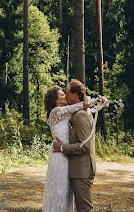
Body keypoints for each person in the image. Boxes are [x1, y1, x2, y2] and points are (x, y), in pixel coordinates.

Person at [41, 84, 88, 212]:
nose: (65, 96)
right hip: (59, 156)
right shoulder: (56, 112)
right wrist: (91, 100)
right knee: (59, 190)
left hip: (66, 153)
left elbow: (78, 110)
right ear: (57, 100)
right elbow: (78, 106)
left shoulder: (64, 113)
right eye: (62, 94)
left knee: (67, 191)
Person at [52, 80, 97, 212]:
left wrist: (61, 148)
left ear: (75, 95)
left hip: (82, 170)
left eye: (67, 93)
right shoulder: (77, 112)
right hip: (76, 170)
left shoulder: (81, 115)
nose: (65, 96)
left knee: (85, 209)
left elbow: (85, 146)